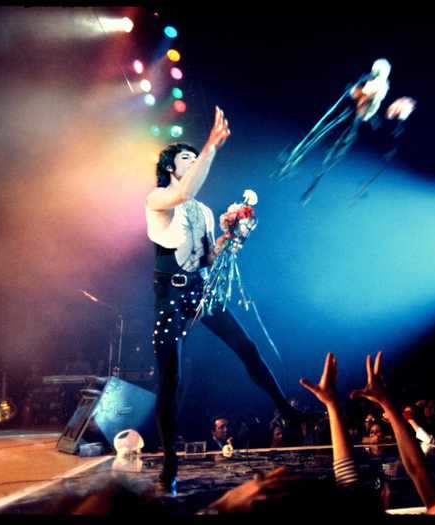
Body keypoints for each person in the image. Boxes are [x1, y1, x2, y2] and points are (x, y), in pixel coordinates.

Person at [145, 106, 300, 494]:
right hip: (171, 295)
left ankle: (286, 410)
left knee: (246, 347)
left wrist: (232, 235)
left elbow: (207, 257)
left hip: (199, 289)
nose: (193, 160)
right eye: (186, 158)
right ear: (170, 167)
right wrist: (212, 145)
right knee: (171, 379)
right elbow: (185, 190)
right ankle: (169, 461)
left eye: (195, 157)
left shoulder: (203, 210)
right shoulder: (160, 197)